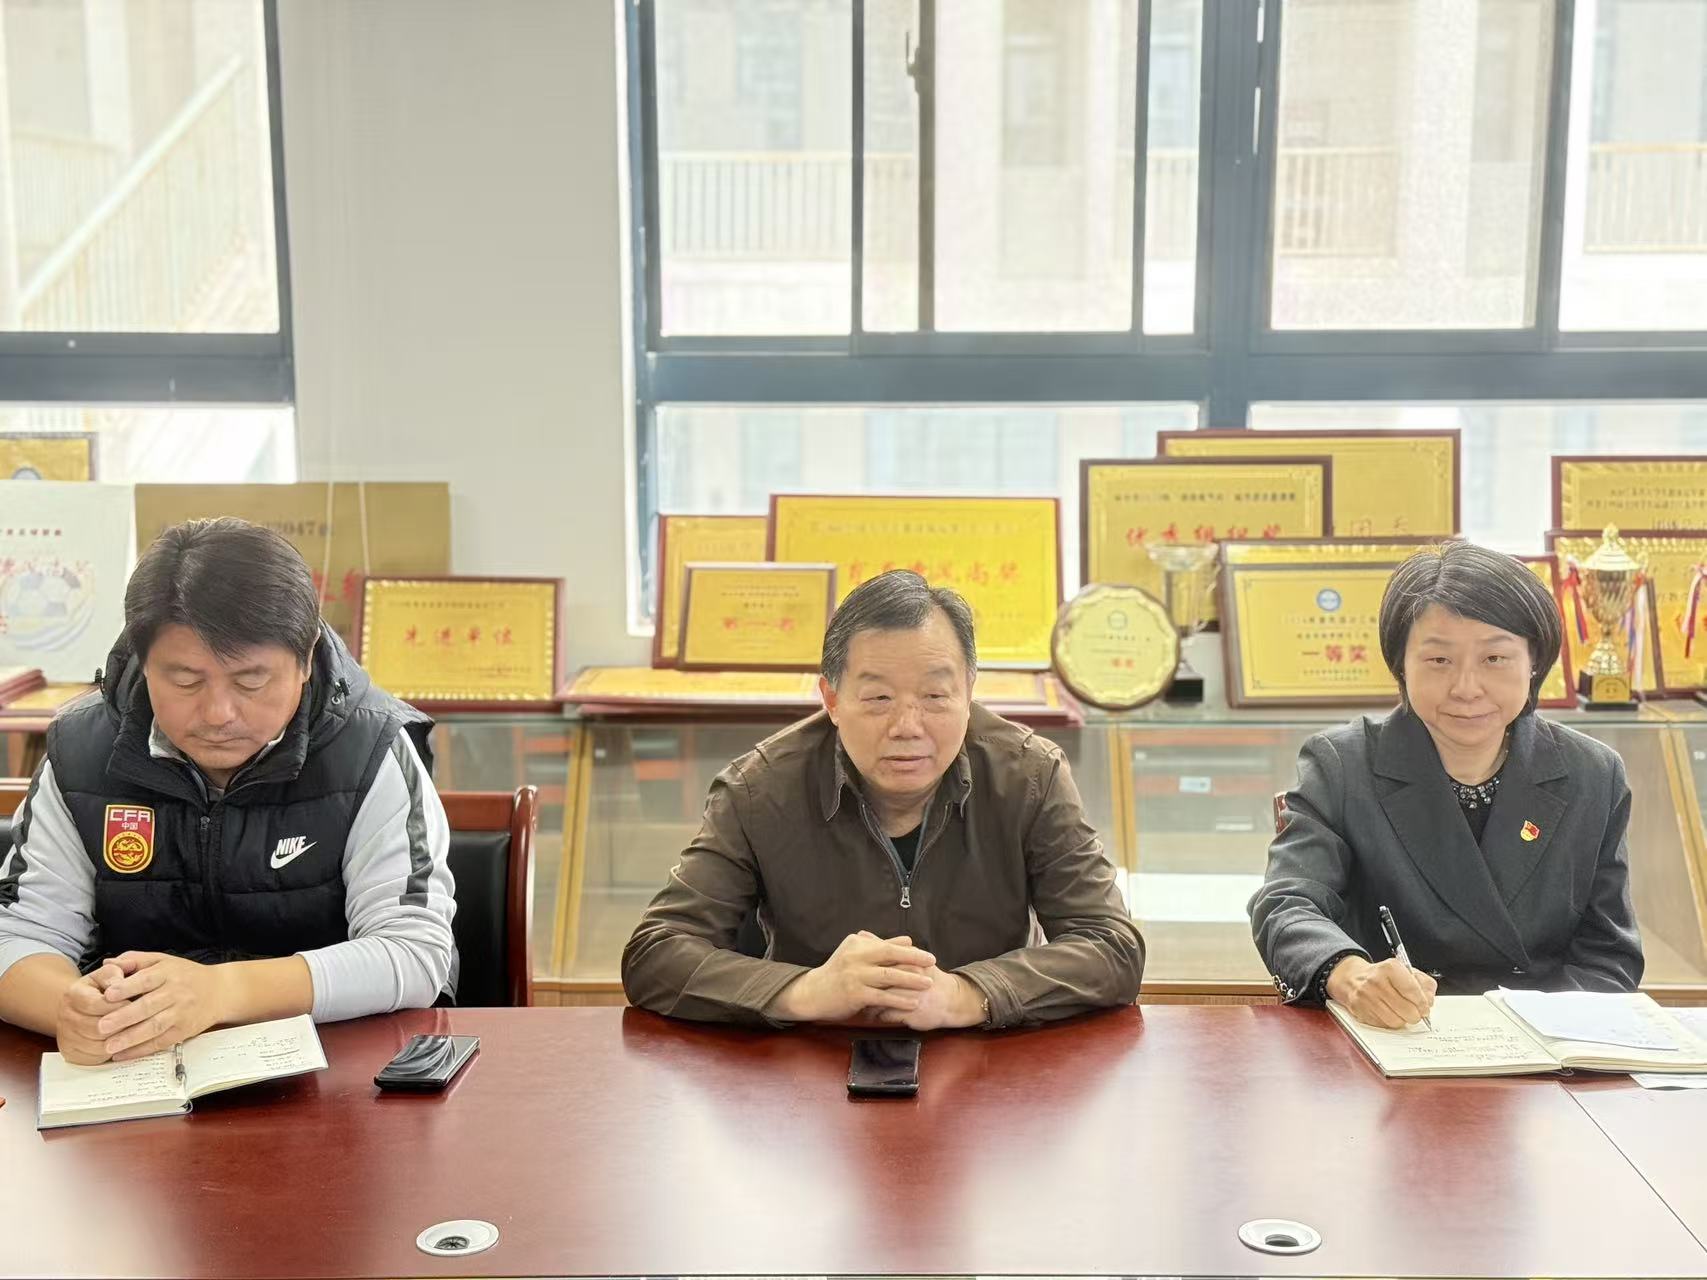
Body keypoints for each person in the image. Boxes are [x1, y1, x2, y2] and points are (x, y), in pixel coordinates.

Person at [0, 518, 457, 1064]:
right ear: (144, 661)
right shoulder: (82, 751)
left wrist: (222, 992)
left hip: (336, 1073)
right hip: (136, 1074)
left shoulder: (370, 749)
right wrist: (70, 1010)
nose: (218, 713)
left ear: (305, 658)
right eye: (185, 680)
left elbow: (414, 951)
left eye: (250, 681)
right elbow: (19, 932)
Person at [622, 570, 1144, 1028]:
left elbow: (1111, 945)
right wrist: (806, 991)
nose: (907, 726)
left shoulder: (1030, 776)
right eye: (878, 698)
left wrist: (966, 996)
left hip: (987, 1059)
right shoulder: (758, 790)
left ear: (968, 692)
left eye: (935, 696)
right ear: (831, 699)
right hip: (808, 1063)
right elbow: (655, 952)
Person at [1249, 540, 1642, 1029]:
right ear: (1401, 664)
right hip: (1392, 1035)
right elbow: (1286, 904)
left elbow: (1608, 955)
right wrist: (1351, 975)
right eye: (1439, 660)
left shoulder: (1592, 774)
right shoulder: (1342, 764)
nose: (1466, 688)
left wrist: (1553, 1036)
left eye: (1494, 658)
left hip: (1545, 1045)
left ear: (1535, 663)